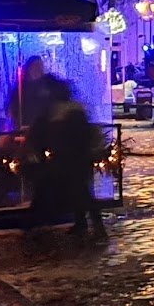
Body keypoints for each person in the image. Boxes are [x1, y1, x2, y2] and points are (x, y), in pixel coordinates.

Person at [45, 88, 106, 241]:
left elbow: (61, 138)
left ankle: (94, 226)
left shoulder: (61, 115)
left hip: (71, 159)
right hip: (81, 158)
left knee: (82, 193)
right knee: (82, 192)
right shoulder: (78, 111)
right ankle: (86, 223)